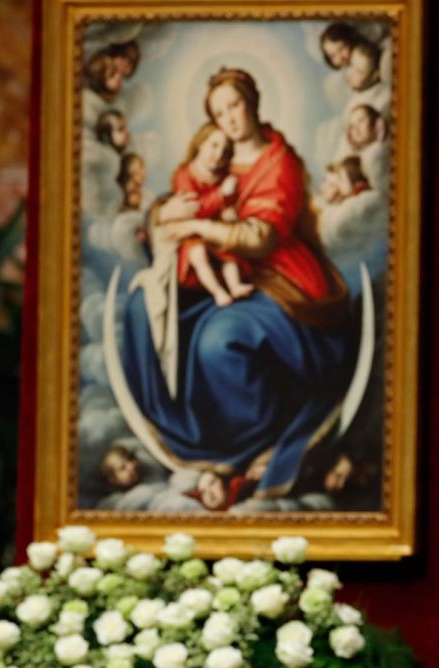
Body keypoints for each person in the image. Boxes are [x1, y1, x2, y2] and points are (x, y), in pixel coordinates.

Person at [121, 67, 350, 499]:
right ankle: (187, 432)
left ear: (252, 101)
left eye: (234, 105)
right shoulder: (214, 154)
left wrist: (198, 227)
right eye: (218, 112)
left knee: (219, 340)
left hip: (278, 277)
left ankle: (246, 440)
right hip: (217, 270)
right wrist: (164, 216)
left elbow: (261, 237)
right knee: (139, 308)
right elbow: (177, 201)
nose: (228, 118)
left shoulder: (279, 162)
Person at [169, 122, 251, 307]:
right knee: (198, 253)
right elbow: (193, 209)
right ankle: (218, 292)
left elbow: (228, 205)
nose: (219, 154)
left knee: (229, 250)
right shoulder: (184, 175)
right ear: (200, 143)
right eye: (214, 145)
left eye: (225, 150)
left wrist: (229, 211)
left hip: (213, 230)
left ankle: (235, 285)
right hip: (190, 233)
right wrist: (220, 194)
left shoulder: (221, 176)